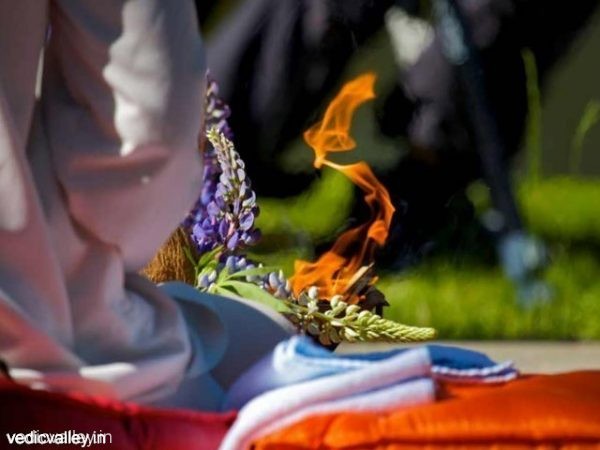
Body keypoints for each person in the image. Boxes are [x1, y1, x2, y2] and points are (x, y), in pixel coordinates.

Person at [0, 0, 294, 410]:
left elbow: (150, 131)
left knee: (153, 109)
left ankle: (88, 317)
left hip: (111, 324)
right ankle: (42, 333)